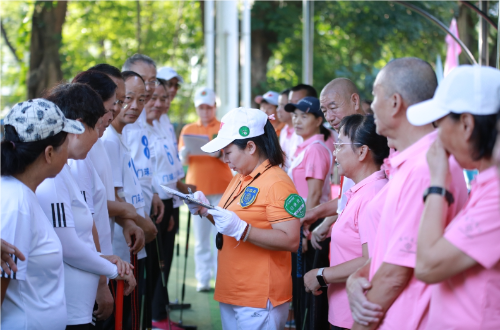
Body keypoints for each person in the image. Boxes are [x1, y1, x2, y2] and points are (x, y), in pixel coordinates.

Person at [346, 58, 468, 330]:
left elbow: (395, 274)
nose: (371, 106)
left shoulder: (426, 167)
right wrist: (357, 277)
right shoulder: (414, 163)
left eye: (376, 96)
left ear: (395, 102)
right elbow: (389, 251)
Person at [185, 107, 302, 329]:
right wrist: (206, 210)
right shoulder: (240, 177)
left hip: (258, 295)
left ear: (250, 147)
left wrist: (244, 230)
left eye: (228, 152)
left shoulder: (277, 182)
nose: (224, 159)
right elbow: (229, 223)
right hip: (233, 289)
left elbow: (291, 240)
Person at [405, 65, 500, 329]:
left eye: (439, 122)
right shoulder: (487, 184)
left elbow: (427, 266)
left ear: (467, 125)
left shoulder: (497, 198)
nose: (435, 134)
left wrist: (437, 183)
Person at [36, 84, 136, 330]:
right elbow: (67, 246)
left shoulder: (64, 170)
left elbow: (81, 235)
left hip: (76, 307)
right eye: (100, 126)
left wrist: (105, 259)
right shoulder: (52, 177)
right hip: (65, 308)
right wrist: (111, 270)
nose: (100, 135)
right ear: (79, 126)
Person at [303, 114, 389, 330]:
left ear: (362, 152)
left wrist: (322, 275)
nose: (335, 152)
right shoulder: (360, 191)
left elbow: (373, 260)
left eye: (340, 145)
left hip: (356, 316)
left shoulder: (372, 195)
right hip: (344, 309)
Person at [1, 99, 81, 330]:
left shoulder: (22, 195)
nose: (68, 152)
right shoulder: (16, 204)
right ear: (48, 153)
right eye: (65, 142)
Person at [284, 96, 334, 329]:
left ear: (318, 120)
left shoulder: (315, 149)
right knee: (299, 288)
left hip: (311, 225)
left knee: (306, 291)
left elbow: (313, 196)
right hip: (304, 222)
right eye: (295, 115)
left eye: (304, 115)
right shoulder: (304, 147)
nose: (297, 120)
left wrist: (303, 229)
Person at [178, 87, 233, 292]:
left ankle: (222, 278)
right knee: (201, 239)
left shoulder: (224, 127)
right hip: (197, 190)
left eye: (208, 107)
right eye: (201, 107)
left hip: (222, 189)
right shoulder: (188, 128)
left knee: (221, 235)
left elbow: (231, 155)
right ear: (196, 108)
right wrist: (184, 153)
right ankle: (203, 279)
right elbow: (182, 159)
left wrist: (217, 154)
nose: (205, 111)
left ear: (214, 107)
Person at [141, 79, 184, 330]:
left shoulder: (161, 123)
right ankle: (153, 317)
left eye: (164, 97)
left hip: (166, 200)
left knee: (162, 262)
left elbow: (169, 165)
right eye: (152, 97)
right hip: (150, 204)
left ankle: (156, 315)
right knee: (152, 266)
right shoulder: (136, 129)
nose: (158, 103)